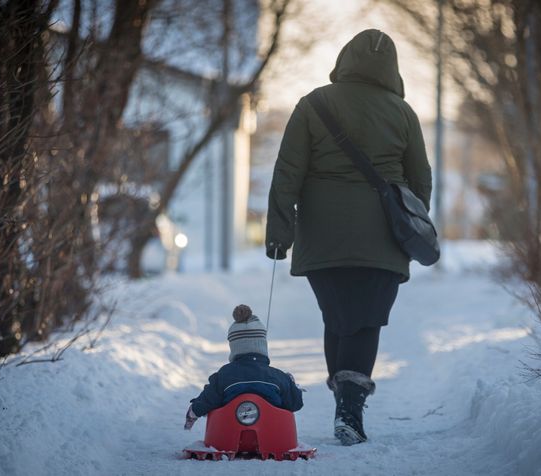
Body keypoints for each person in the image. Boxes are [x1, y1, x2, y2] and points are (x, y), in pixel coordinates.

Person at [265, 29, 432, 445]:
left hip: (322, 235)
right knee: (366, 321)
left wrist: (279, 233)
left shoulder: (313, 104)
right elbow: (420, 181)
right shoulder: (403, 113)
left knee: (338, 318)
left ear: (345, 60)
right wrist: (410, 224)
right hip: (382, 238)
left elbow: (288, 173)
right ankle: (350, 410)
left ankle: (345, 406)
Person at [183, 305, 303, 430]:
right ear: (262, 345)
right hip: (271, 433)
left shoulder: (224, 375)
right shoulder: (278, 376)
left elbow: (207, 399)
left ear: (234, 347)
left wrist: (193, 412)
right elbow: (295, 404)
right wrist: (293, 385)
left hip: (230, 433)